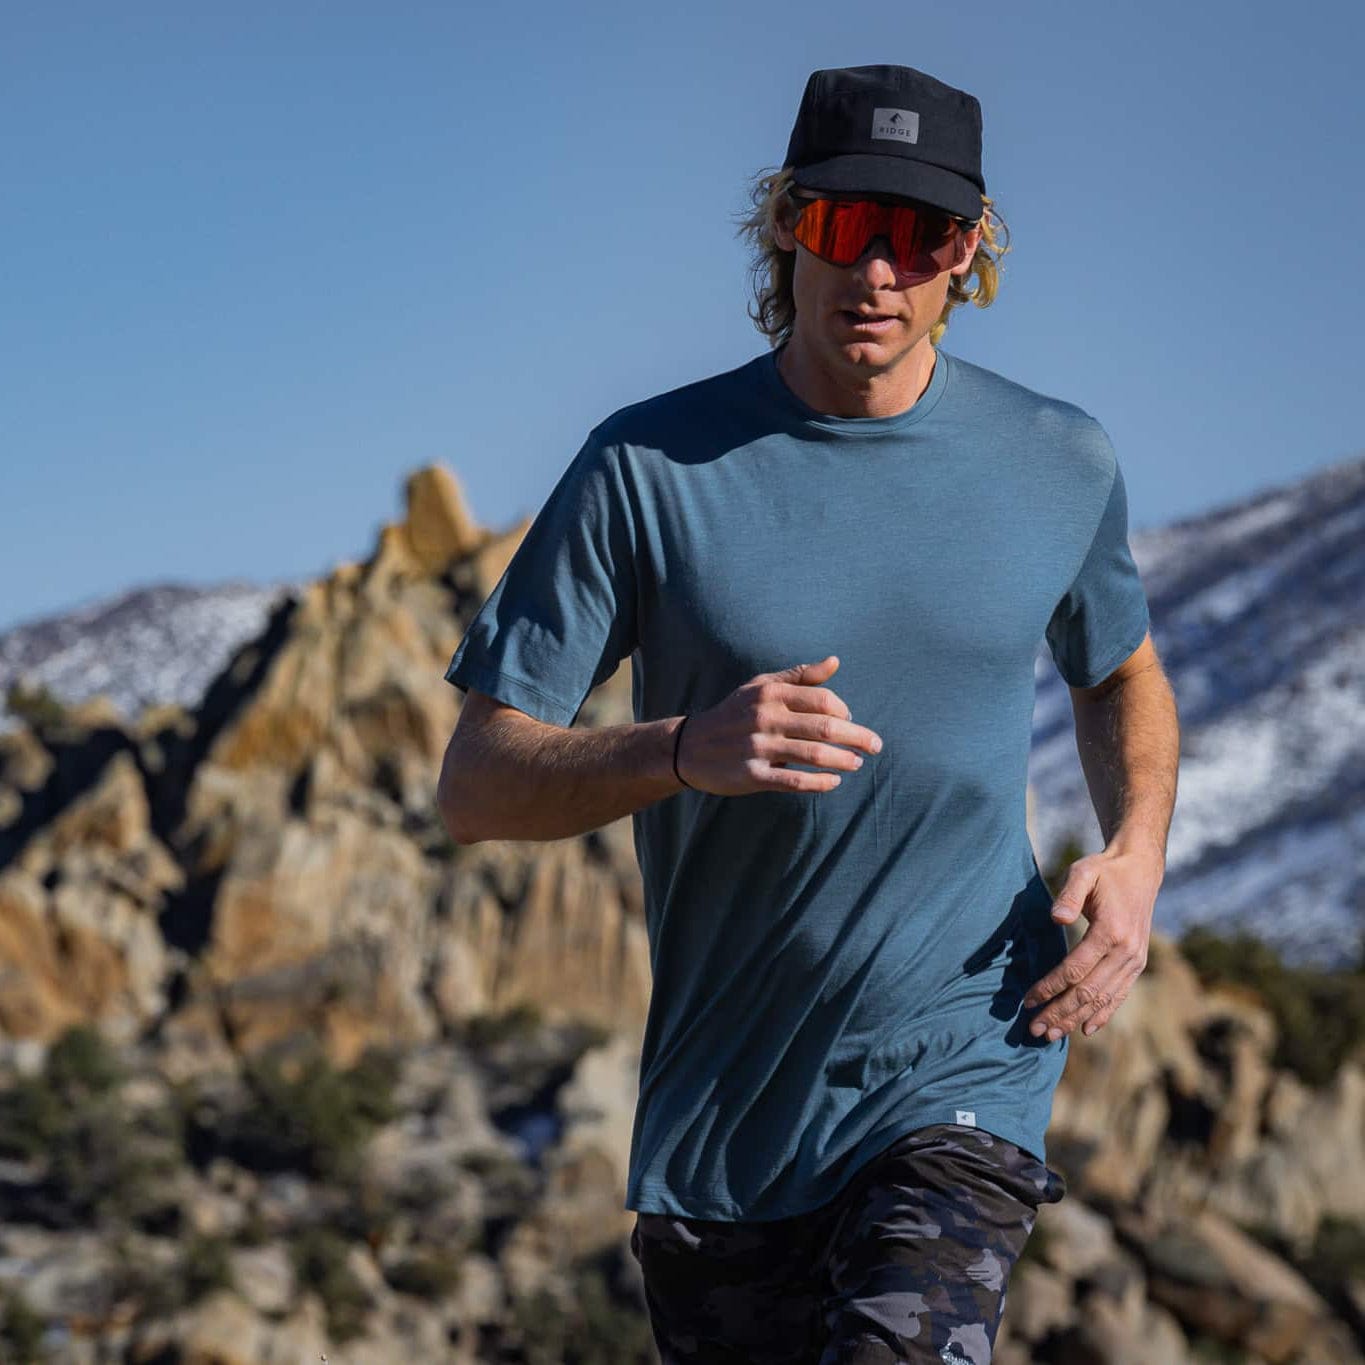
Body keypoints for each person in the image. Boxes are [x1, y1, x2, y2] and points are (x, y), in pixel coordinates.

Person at [437, 62, 1180, 1364]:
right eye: (845, 225)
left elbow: (1119, 672)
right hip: (725, 1114)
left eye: (921, 235)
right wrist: (680, 750)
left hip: (961, 1057)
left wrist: (1133, 856)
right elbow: (478, 781)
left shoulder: (1058, 462)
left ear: (970, 252)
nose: (878, 271)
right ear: (787, 226)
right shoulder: (646, 468)